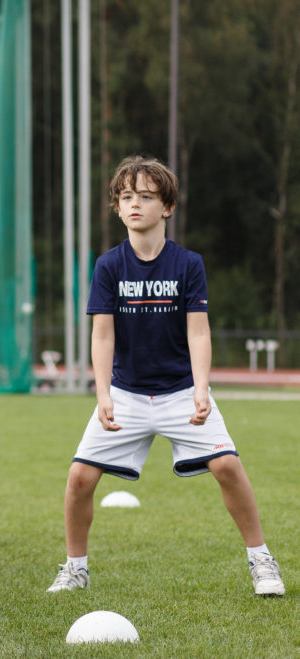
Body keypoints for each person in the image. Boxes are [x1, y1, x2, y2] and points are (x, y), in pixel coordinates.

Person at [46, 155, 285, 597]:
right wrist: (102, 394)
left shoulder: (188, 264)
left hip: (180, 392)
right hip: (126, 394)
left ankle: (261, 560)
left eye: (146, 196)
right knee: (79, 478)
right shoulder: (109, 266)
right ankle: (75, 568)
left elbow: (198, 331)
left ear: (167, 206)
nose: (135, 204)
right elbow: (102, 337)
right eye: (126, 197)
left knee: (228, 466)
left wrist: (200, 389)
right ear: (117, 208)